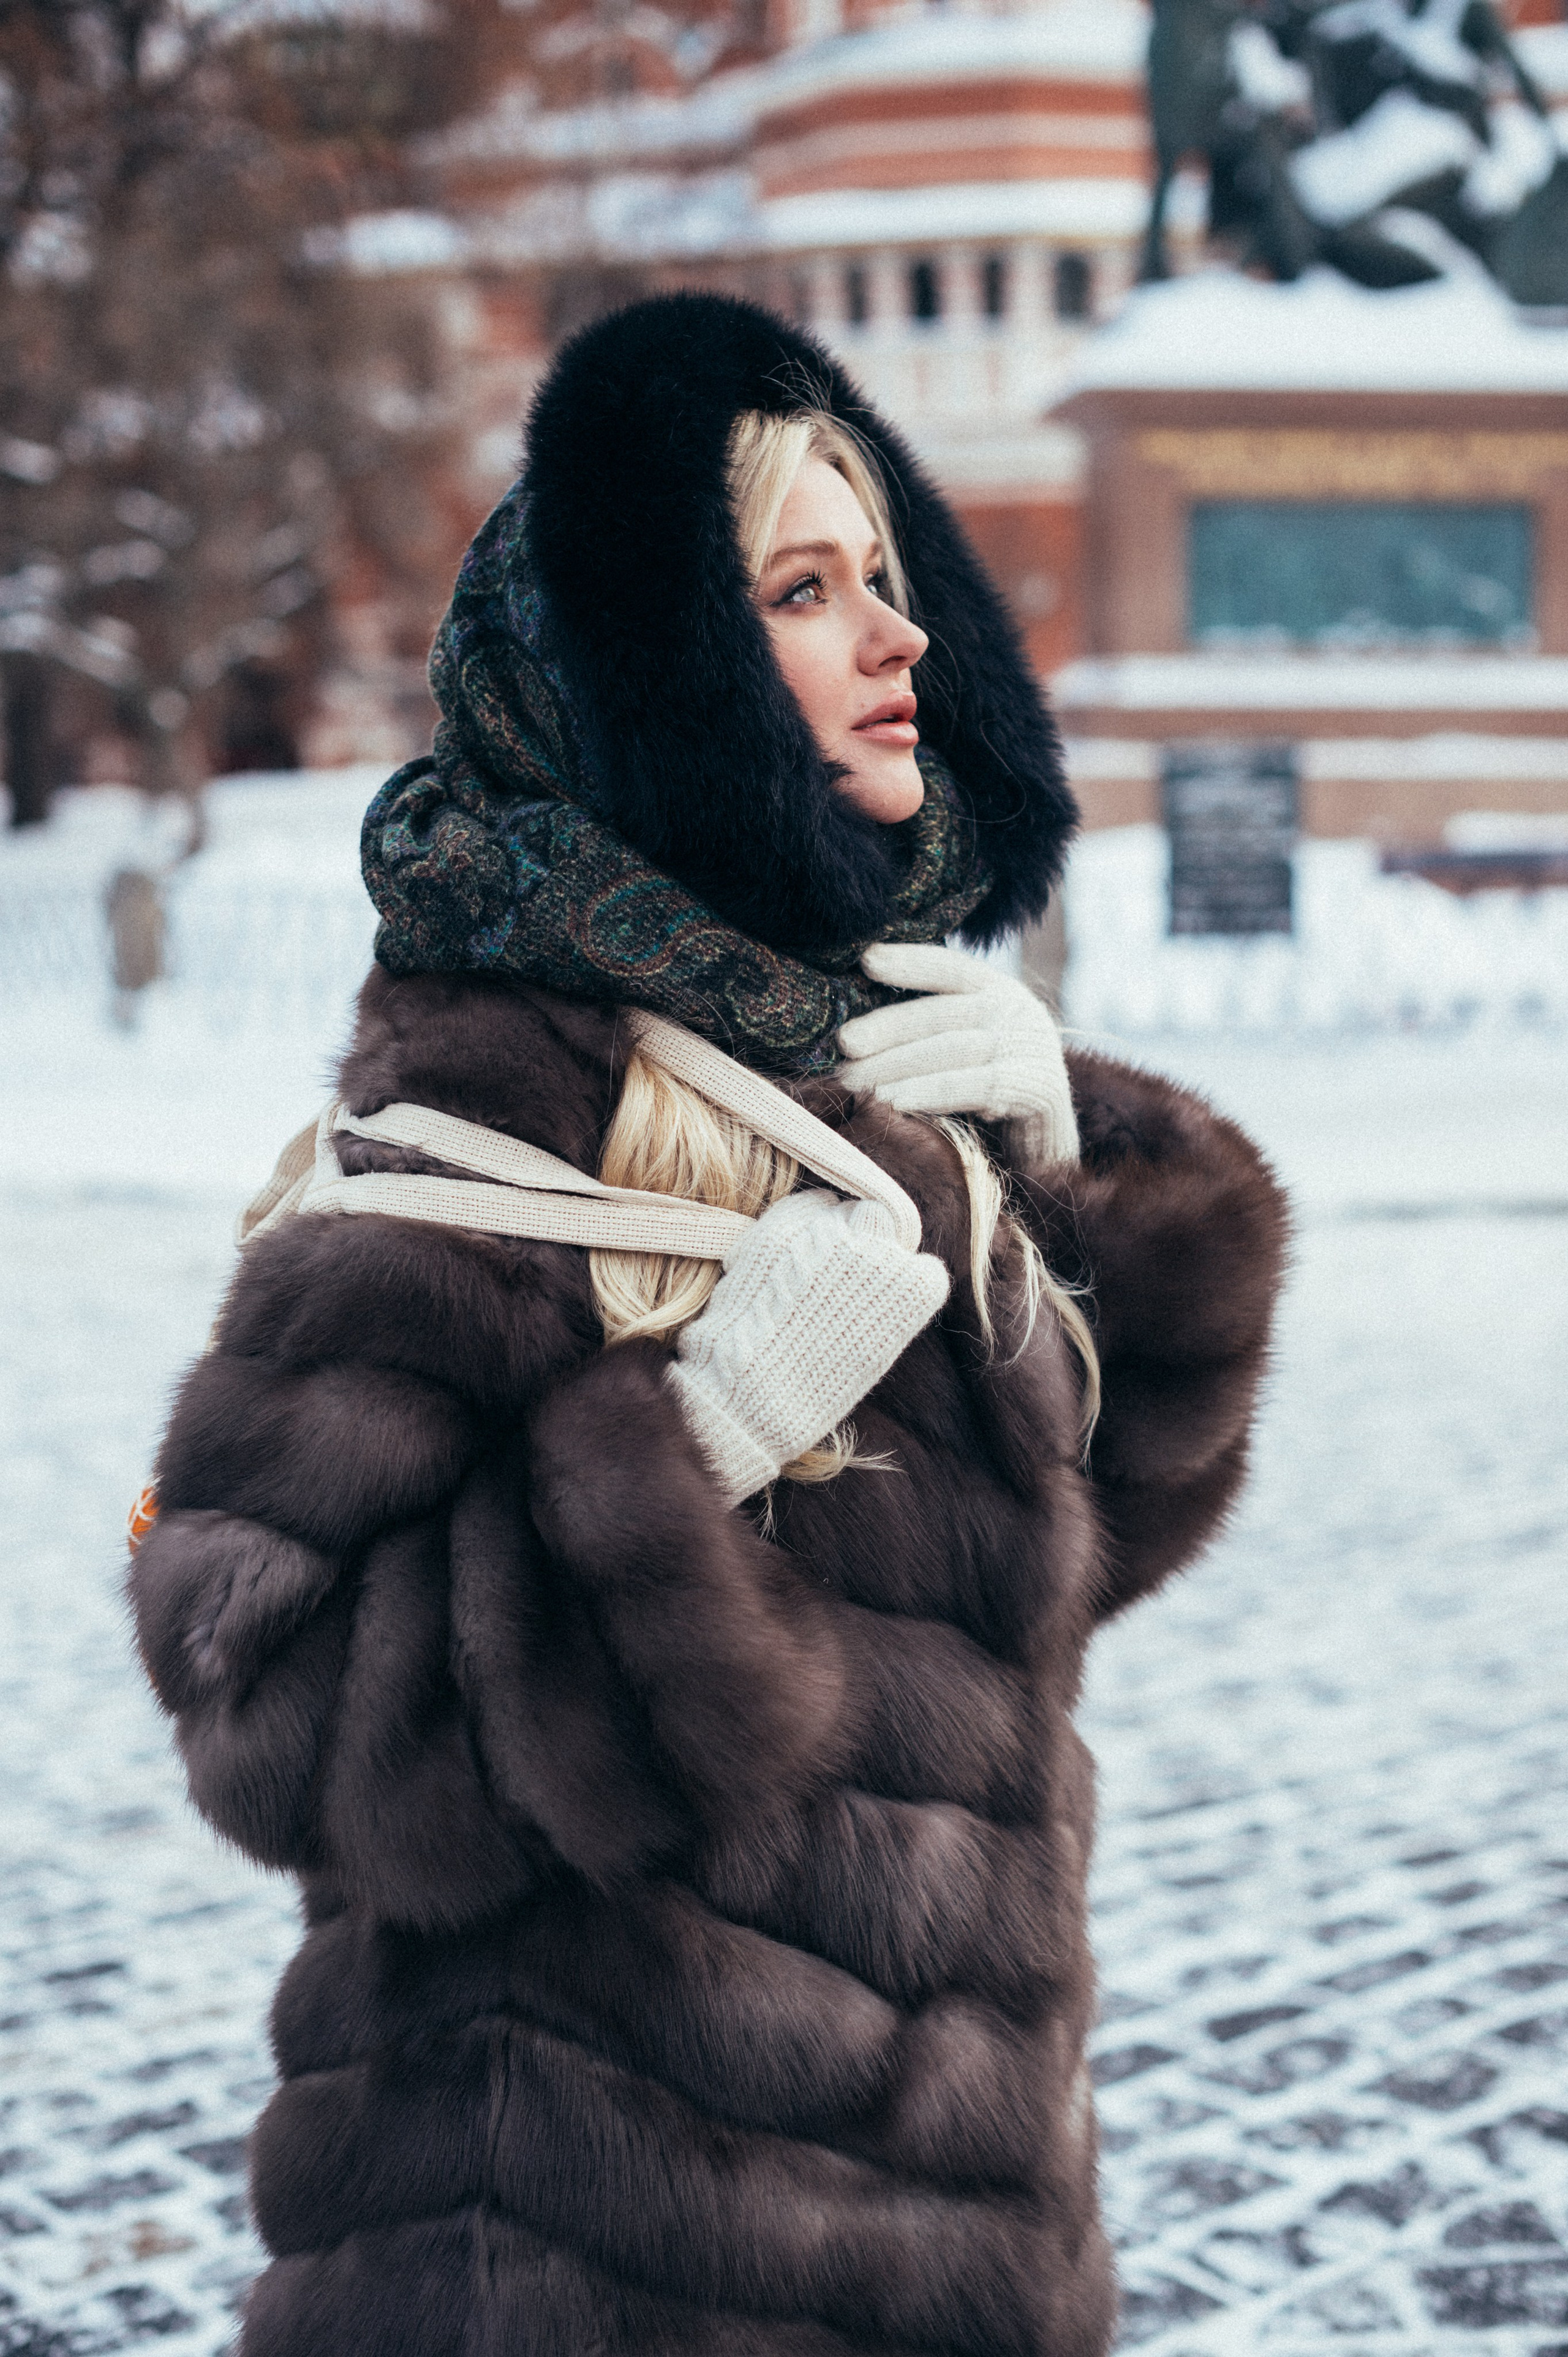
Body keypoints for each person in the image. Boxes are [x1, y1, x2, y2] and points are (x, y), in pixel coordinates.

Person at [129, 293, 1287, 2355]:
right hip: (580, 2264)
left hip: (946, 2242)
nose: (899, 634)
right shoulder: (506, 1081)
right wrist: (705, 1427)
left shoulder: (856, 1066)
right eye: (806, 588)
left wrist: (1069, 1157)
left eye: (893, 581)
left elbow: (1055, 1555)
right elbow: (272, 1701)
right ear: (653, 667)